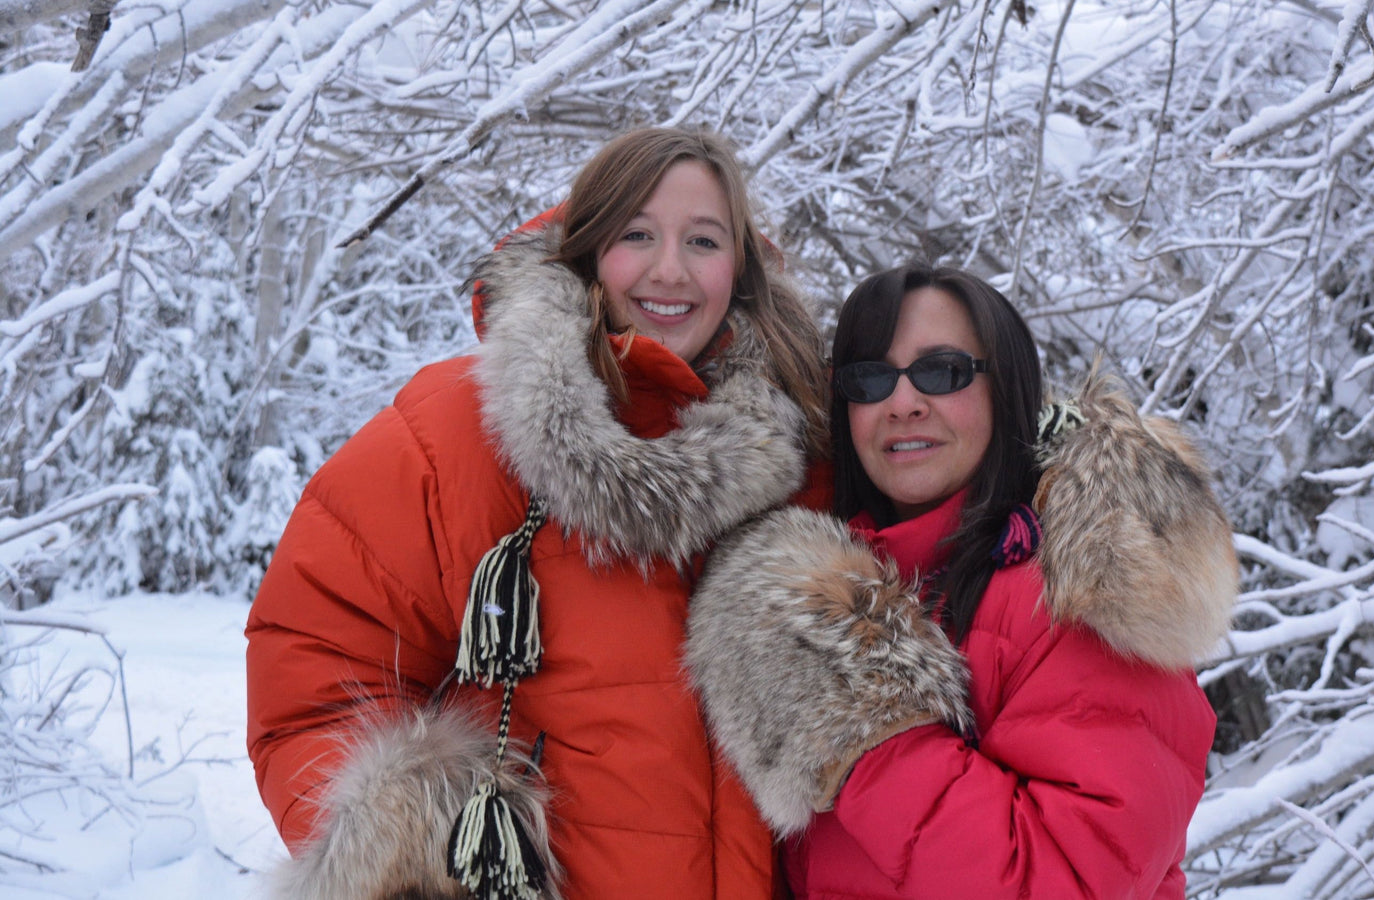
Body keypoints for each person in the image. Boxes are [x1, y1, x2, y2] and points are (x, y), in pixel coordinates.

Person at [245, 127, 831, 900]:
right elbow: (313, 678)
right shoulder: (453, 434)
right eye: (637, 235)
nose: (670, 270)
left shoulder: (810, 443)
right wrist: (415, 842)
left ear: (741, 266)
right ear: (590, 248)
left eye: (704, 240)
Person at [686, 264, 1237, 898]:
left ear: (1005, 387)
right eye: (869, 379)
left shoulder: (1082, 592)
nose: (902, 403)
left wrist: (860, 725)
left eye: (941, 371)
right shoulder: (833, 585)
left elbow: (1063, 881)